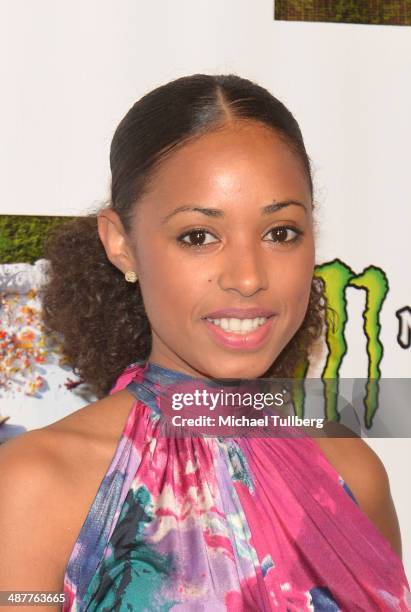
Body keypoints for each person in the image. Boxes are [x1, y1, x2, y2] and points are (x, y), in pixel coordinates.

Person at [0, 73, 410, 611]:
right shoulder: (35, 487)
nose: (247, 277)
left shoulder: (352, 472)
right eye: (198, 236)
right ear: (121, 244)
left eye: (280, 232)